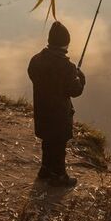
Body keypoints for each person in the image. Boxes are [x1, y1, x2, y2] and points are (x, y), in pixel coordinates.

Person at [28, 21, 86, 187]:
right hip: (59, 115)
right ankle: (59, 175)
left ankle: (45, 169)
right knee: (59, 144)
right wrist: (81, 78)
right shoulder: (67, 67)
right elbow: (75, 91)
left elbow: (33, 75)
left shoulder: (36, 60)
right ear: (65, 43)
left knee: (47, 141)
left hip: (42, 111)